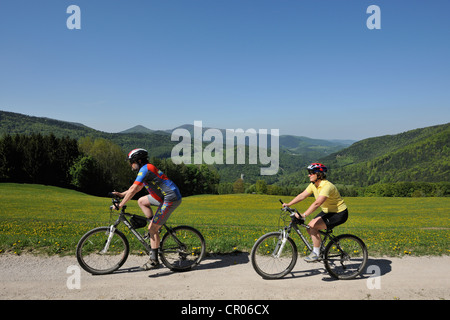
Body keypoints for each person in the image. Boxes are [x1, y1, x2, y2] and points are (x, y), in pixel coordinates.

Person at [113, 148, 182, 270]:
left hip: (171, 198)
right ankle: (155, 228)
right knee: (142, 201)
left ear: (138, 161)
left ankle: (154, 261)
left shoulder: (146, 169)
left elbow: (134, 189)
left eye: (131, 162)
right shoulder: (144, 169)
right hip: (162, 197)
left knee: (152, 229)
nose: (130, 165)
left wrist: (121, 204)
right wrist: (122, 194)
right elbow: (135, 187)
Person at [283, 163, 348, 262]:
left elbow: (317, 203)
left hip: (339, 213)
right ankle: (322, 249)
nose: (309, 175)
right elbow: (302, 196)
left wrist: (303, 215)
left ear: (319, 175)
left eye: (311, 173)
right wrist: (289, 204)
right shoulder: (313, 185)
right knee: (310, 227)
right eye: (309, 172)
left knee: (313, 226)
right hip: (328, 211)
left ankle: (316, 253)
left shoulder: (327, 186)